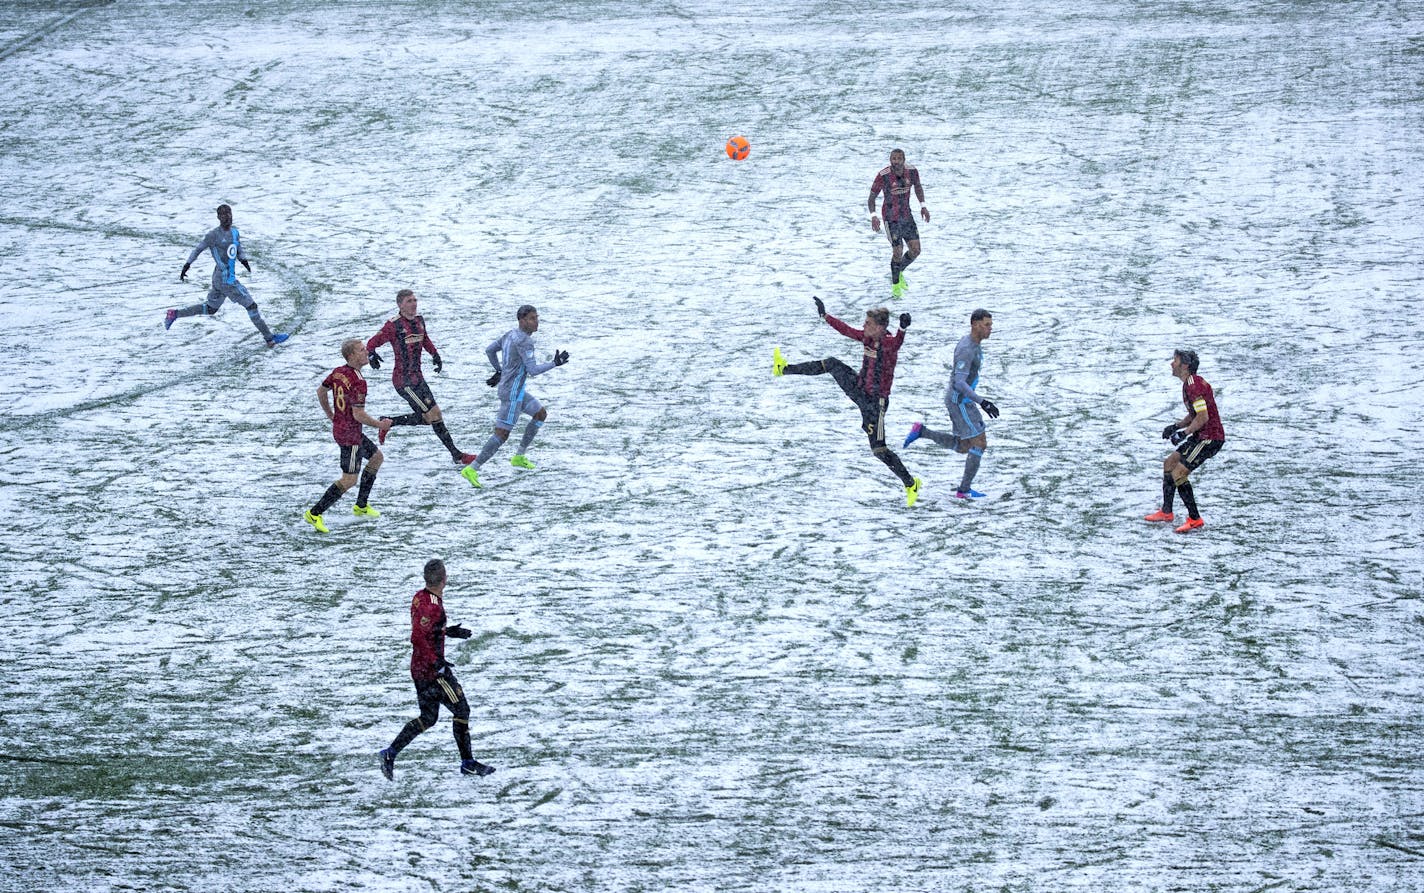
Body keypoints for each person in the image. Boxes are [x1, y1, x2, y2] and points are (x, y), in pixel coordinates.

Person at [772, 297, 922, 506]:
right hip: (860, 389)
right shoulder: (867, 338)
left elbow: (897, 342)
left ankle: (910, 484)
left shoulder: (888, 344)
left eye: (868, 323)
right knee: (832, 364)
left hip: (875, 404)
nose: (863, 326)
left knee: (879, 450)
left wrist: (903, 328)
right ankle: (783, 369)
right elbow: (846, 330)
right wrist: (825, 316)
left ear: (879, 327)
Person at [379, 559, 496, 781]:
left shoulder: (421, 597)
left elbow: (424, 629)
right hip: (432, 673)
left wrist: (446, 631)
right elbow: (417, 636)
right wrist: (436, 662)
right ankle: (468, 763)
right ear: (445, 579)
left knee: (428, 718)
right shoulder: (432, 605)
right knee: (462, 710)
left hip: (419, 668)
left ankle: (390, 753)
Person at [366, 289, 477, 476]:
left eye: (415, 300)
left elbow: (425, 339)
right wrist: (371, 354)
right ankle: (457, 455)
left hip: (419, 378)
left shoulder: (419, 321)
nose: (414, 303)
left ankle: (388, 422)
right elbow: (372, 342)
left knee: (429, 418)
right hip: (404, 382)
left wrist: (435, 354)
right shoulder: (393, 325)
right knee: (434, 415)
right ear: (400, 305)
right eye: (409, 301)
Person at [462, 304, 569, 488]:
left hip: (515, 390)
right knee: (502, 434)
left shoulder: (510, 334)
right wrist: (555, 363)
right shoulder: (525, 342)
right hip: (512, 394)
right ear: (522, 321)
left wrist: (499, 370)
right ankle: (472, 468)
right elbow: (533, 370)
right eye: (532, 318)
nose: (536, 322)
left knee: (540, 414)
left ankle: (519, 456)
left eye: (537, 317)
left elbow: (490, 350)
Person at [902, 309, 999, 499]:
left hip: (963, 400)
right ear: (974, 324)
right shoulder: (967, 349)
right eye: (987, 325)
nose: (990, 329)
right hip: (960, 401)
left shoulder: (975, 344)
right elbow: (959, 383)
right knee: (979, 443)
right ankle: (963, 491)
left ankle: (922, 432)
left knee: (964, 446)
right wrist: (983, 402)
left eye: (991, 325)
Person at [165, 204, 289, 347]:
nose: (227, 217)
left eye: (228, 213)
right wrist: (187, 265)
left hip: (220, 278)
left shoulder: (235, 232)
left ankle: (174, 314)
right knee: (252, 306)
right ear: (218, 217)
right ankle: (270, 339)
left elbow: (238, 247)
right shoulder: (213, 235)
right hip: (226, 280)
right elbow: (198, 249)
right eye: (223, 215)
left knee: (211, 309)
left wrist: (243, 260)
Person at [303, 339, 394, 533]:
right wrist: (380, 424)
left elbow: (321, 391)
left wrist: (331, 415)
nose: (366, 351)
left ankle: (361, 505)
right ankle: (314, 513)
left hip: (345, 429)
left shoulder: (338, 372)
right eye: (361, 350)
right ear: (351, 356)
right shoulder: (358, 382)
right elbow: (358, 415)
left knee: (377, 458)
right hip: (350, 435)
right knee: (349, 480)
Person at [1144, 348, 1225, 533]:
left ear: (1185, 365)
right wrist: (1176, 426)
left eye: (1175, 360)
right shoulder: (1189, 384)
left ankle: (1195, 518)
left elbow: (1203, 417)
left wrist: (1184, 433)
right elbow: (1194, 414)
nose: (1172, 364)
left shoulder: (1193, 385)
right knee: (1169, 463)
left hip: (1209, 438)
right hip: (1200, 435)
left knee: (1179, 473)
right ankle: (1166, 512)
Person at [868, 149, 930, 299]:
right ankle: (895, 286)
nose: (895, 161)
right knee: (898, 251)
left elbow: (918, 187)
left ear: (904, 159)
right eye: (893, 159)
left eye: (898, 158)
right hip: (891, 219)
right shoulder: (883, 175)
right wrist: (874, 216)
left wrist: (923, 206)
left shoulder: (912, 171)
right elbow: (871, 197)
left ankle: (898, 271)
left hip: (907, 217)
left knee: (916, 250)